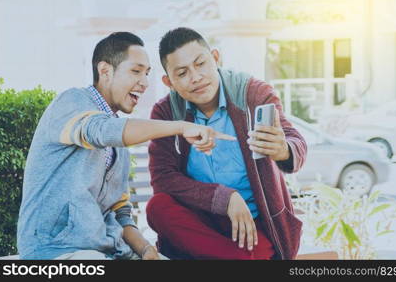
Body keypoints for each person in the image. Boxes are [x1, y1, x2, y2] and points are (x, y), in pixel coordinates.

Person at [17, 32, 234, 260]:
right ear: (105, 71)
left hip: (107, 250)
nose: (144, 82)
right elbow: (99, 131)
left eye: (147, 73)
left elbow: (120, 212)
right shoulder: (71, 103)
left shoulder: (118, 145)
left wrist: (147, 250)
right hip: (54, 251)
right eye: (136, 71)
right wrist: (181, 127)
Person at [146, 27, 307, 260]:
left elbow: (297, 143)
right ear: (168, 81)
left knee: (257, 250)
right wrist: (224, 198)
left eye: (201, 64)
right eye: (182, 73)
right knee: (157, 207)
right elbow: (162, 179)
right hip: (199, 224)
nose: (195, 77)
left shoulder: (252, 94)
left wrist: (283, 149)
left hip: (252, 223)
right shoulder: (166, 111)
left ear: (216, 58)